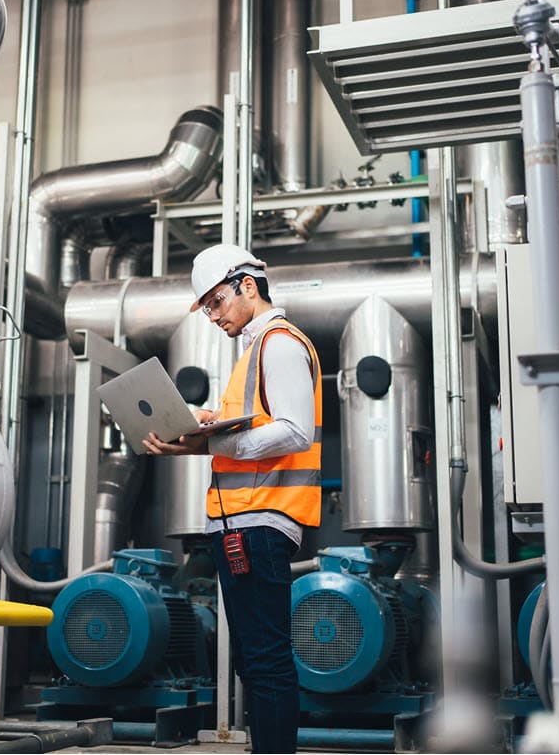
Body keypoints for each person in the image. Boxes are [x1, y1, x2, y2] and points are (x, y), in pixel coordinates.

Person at [143, 243, 322, 755]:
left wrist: (210, 441)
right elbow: (252, 430)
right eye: (206, 309)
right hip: (243, 522)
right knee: (252, 657)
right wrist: (200, 431)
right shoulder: (255, 350)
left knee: (264, 659)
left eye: (216, 303)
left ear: (247, 285)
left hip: (261, 522)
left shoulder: (278, 343)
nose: (213, 317)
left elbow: (294, 432)